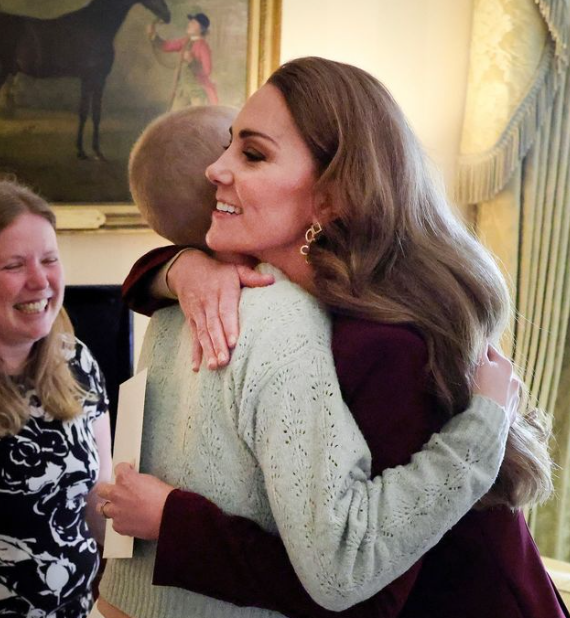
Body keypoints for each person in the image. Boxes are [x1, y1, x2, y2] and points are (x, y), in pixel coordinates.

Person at [104, 58, 566, 618]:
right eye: (227, 146)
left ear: (332, 197)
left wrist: (171, 521)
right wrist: (180, 268)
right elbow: (136, 284)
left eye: (251, 154)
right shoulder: (287, 299)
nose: (214, 170)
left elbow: (360, 593)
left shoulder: (383, 343)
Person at [0, 179, 112, 617]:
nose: (40, 280)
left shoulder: (76, 360)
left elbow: (99, 500)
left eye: (49, 260)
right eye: (13, 265)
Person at [149, 12, 218, 108]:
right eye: (190, 22)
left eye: (193, 23)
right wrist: (154, 36)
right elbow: (166, 46)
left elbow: (207, 71)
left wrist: (191, 61)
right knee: (174, 119)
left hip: (196, 91)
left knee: (198, 118)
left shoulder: (203, 46)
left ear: (201, 28)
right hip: (183, 90)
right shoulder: (185, 41)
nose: (189, 24)